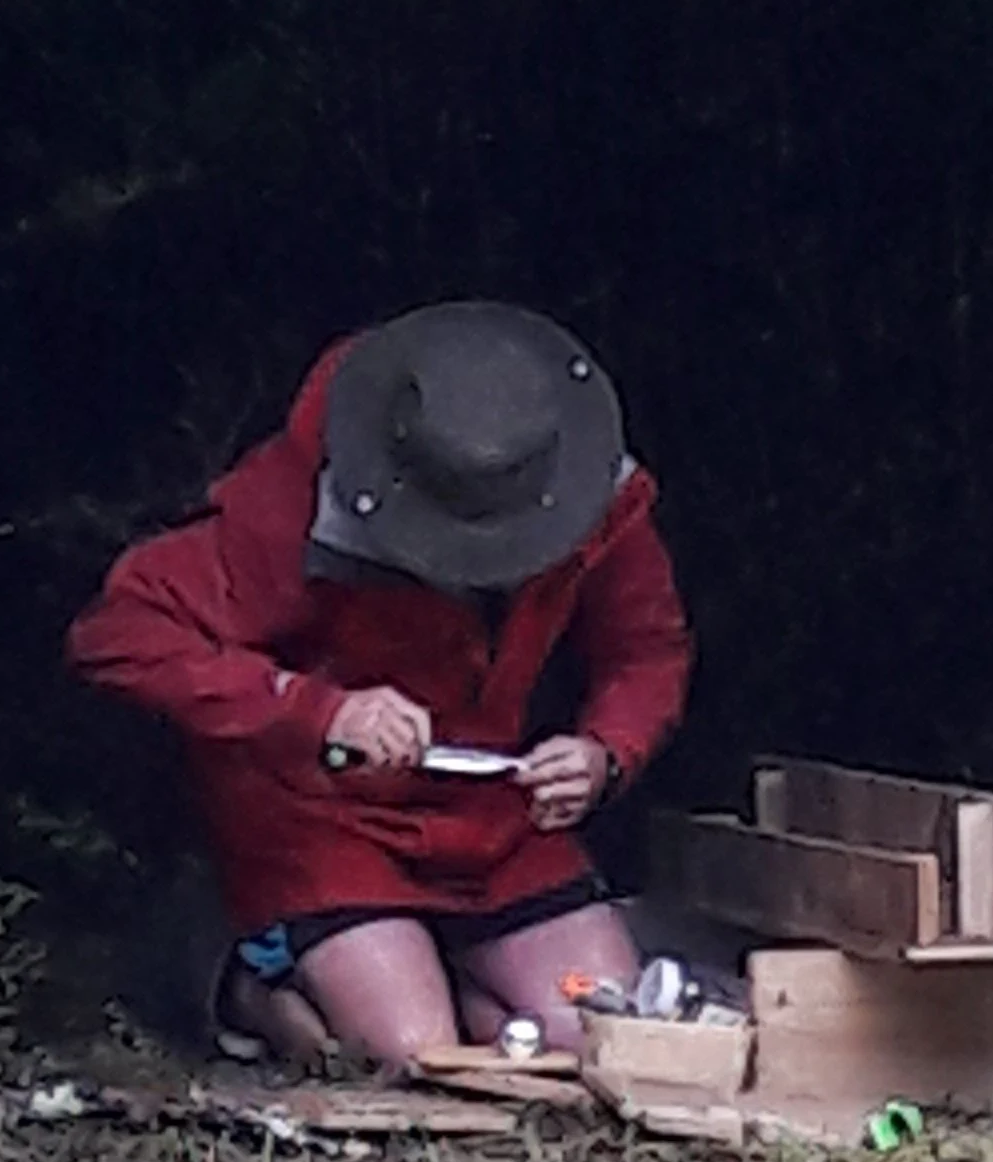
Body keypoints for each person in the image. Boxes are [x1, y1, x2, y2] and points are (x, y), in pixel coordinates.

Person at [67, 301, 691, 1065]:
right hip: (320, 810)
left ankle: (437, 981)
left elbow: (647, 648)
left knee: (602, 1037)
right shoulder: (305, 496)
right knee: (413, 1053)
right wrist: (317, 711)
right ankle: (241, 977)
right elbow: (120, 631)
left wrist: (604, 750)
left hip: (492, 813)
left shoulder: (600, 492)